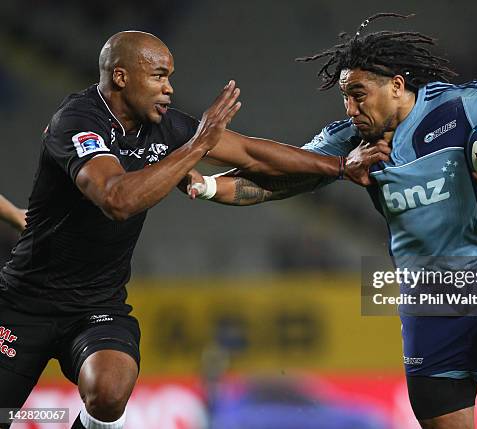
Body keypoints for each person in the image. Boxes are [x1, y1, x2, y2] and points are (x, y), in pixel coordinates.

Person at [193, 13, 477, 429]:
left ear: (397, 85)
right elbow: (275, 178)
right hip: (428, 299)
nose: (350, 108)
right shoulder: (350, 142)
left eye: (358, 94)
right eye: (344, 97)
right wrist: (210, 187)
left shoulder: (461, 105)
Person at [0, 31, 387, 429]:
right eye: (158, 76)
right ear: (120, 77)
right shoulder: (77, 121)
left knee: (110, 391)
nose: (169, 89)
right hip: (24, 302)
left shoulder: (163, 126)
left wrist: (339, 167)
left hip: (97, 306)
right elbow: (117, 200)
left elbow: (251, 153)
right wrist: (196, 146)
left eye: (169, 77)